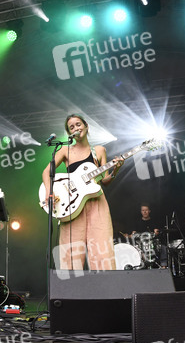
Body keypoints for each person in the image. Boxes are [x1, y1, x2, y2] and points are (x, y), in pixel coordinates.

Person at [42, 114, 124, 270]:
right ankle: (71, 285)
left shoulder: (99, 150)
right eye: (71, 127)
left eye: (78, 124)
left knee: (102, 249)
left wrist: (116, 169)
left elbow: (105, 181)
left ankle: (105, 284)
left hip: (97, 203)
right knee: (71, 253)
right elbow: (46, 172)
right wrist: (49, 192)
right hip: (72, 205)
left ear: (86, 126)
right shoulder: (65, 150)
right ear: (69, 133)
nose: (76, 128)